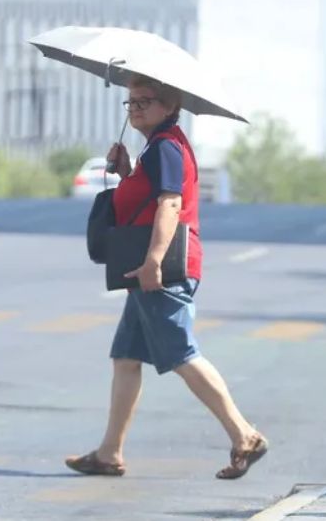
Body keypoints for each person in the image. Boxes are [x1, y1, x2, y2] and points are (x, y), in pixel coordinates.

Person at [65, 75, 268, 480]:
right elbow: (146, 201)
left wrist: (154, 261)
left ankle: (244, 434)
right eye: (131, 102)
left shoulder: (166, 149)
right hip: (146, 271)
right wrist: (126, 173)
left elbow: (170, 204)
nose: (135, 108)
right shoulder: (156, 149)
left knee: (181, 354)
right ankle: (109, 453)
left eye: (145, 100)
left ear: (170, 107)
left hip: (161, 271)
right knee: (126, 358)